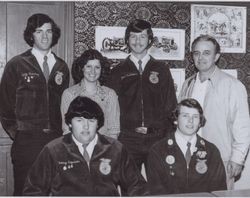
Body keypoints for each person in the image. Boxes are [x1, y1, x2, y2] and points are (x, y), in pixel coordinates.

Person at [0, 13, 69, 195]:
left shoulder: (61, 66)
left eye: (49, 31)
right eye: (39, 31)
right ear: (31, 35)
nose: (45, 36)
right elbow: (5, 105)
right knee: (26, 191)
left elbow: (65, 104)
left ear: (54, 35)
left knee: (54, 191)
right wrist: (20, 133)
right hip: (27, 141)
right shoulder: (17, 64)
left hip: (56, 139)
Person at [23, 96, 148, 196]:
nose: (86, 126)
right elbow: (33, 190)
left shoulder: (115, 149)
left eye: (91, 121)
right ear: (70, 124)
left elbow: (137, 186)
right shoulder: (53, 150)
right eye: (79, 120)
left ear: (98, 124)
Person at [178, 34, 250, 189]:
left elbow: (242, 126)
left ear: (216, 56)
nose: (201, 57)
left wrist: (237, 159)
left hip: (220, 159)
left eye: (206, 53)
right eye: (196, 53)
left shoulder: (232, 86)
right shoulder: (187, 84)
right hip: (188, 158)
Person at [105, 19, 177, 172]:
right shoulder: (117, 71)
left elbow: (170, 105)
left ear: (150, 40)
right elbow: (110, 108)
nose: (138, 41)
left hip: (157, 139)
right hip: (128, 139)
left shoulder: (162, 69)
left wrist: (168, 137)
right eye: (133, 36)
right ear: (127, 40)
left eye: (142, 36)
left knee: (159, 188)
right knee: (129, 188)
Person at [147, 98, 227, 195]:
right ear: (175, 119)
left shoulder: (211, 151)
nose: (190, 121)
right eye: (185, 116)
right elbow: (157, 191)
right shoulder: (158, 151)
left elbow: (219, 191)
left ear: (200, 122)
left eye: (195, 117)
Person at [61, 49, 120, 139]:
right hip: (76, 149)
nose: (93, 71)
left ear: (102, 69)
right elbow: (67, 130)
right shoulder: (69, 94)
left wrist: (107, 151)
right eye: (88, 66)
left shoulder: (110, 95)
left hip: (103, 148)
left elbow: (114, 131)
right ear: (82, 68)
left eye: (97, 67)